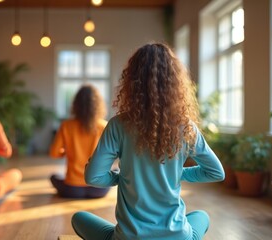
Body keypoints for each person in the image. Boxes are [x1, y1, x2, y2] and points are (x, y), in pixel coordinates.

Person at [71, 43, 225, 239]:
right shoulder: (186, 127)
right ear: (176, 83)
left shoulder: (118, 125)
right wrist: (179, 174)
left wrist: (122, 177)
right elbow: (216, 173)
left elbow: (93, 177)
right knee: (201, 216)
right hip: (178, 237)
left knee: (79, 218)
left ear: (132, 81)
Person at [49, 84, 109, 198]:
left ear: (76, 105)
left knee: (53, 177)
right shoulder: (104, 126)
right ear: (98, 105)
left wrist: (67, 151)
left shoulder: (66, 126)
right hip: (99, 190)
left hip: (73, 189)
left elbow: (54, 153)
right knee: (115, 171)